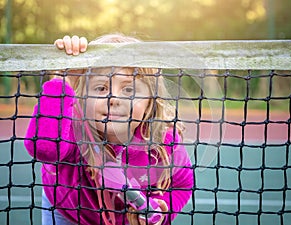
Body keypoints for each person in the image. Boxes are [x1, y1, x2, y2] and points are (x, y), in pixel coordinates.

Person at [24, 34, 193, 225]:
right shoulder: (72, 127)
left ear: (150, 102)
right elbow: (44, 148)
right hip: (67, 210)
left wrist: (164, 209)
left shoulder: (163, 138)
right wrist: (63, 81)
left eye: (129, 90)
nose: (114, 98)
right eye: (101, 88)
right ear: (83, 97)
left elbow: (182, 184)